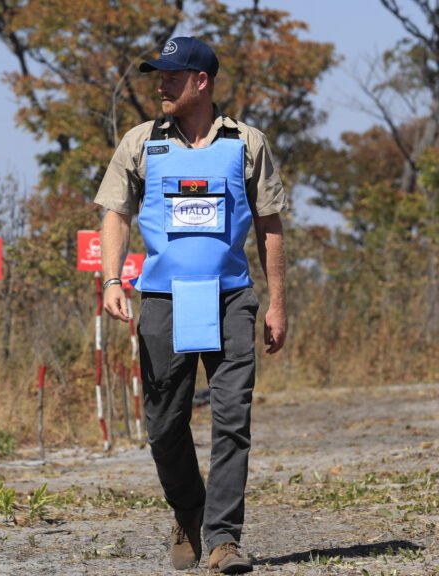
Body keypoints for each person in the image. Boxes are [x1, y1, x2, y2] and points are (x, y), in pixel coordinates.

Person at [95, 37, 287, 574]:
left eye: (172, 77)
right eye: (159, 76)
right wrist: (111, 279)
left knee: (232, 420)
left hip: (230, 300)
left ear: (201, 81)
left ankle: (224, 540)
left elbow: (271, 225)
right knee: (164, 425)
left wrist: (277, 303)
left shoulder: (247, 143)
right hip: (163, 300)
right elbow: (115, 213)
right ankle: (188, 509)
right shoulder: (141, 142)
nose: (161, 85)